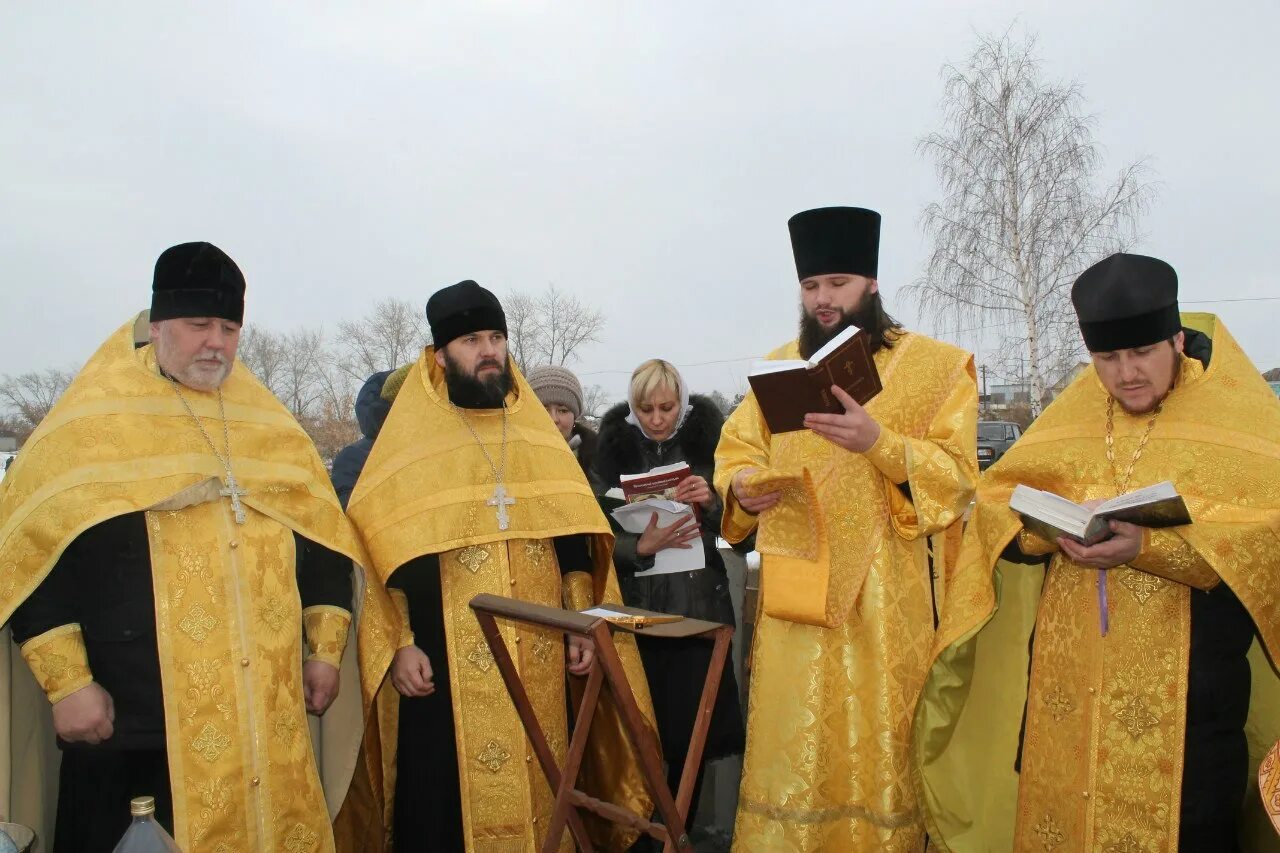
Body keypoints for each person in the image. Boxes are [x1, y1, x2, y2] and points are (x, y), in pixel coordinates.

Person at [0, 242, 398, 852]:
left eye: (229, 327)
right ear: (157, 326)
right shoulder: (88, 426)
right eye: (198, 325)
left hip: (266, 710)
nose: (216, 342)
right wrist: (68, 684)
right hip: (132, 718)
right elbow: (29, 560)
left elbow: (318, 543)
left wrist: (323, 650)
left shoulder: (267, 428)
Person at [919, 253, 1280, 850]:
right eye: (1107, 358)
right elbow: (998, 502)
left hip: (1194, 704)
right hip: (1068, 697)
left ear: (1176, 340)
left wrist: (1151, 547)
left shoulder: (1238, 418)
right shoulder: (1077, 412)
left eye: (1141, 353)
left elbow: (1265, 542)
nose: (1125, 374)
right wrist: (1042, 530)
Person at [335, 280, 655, 852]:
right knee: (440, 806)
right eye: (471, 341)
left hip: (542, 651)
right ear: (440, 356)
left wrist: (584, 621)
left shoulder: (535, 433)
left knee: (551, 786)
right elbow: (380, 557)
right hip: (441, 664)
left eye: (495, 338)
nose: (487, 351)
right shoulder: (408, 445)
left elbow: (574, 543)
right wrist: (401, 642)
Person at [714, 206, 978, 849]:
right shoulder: (777, 368)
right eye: (811, 287)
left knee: (879, 745)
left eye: (837, 283)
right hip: (795, 602)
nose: (823, 299)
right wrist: (741, 487)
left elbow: (960, 479)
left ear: (872, 283)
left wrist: (879, 443)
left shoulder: (937, 367)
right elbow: (735, 453)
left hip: (888, 605)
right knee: (793, 745)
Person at [594, 359, 745, 832]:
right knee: (638, 733)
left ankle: (678, 834)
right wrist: (637, 546)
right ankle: (639, 836)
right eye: (646, 409)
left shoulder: (714, 447)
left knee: (692, 737)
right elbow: (591, 538)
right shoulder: (609, 455)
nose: (657, 418)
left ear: (681, 403)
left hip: (698, 615)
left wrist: (715, 503)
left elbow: (744, 536)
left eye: (666, 407)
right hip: (634, 620)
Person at [526, 364, 603, 492]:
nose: (553, 419)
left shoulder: (602, 462)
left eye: (563, 410)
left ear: (575, 416)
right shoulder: (509, 459)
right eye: (543, 410)